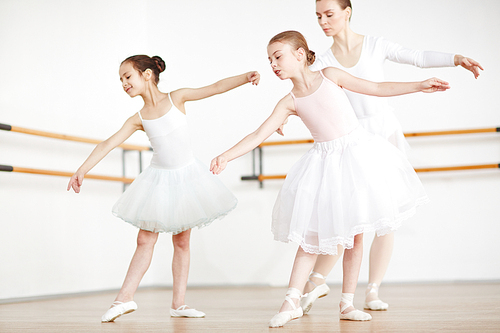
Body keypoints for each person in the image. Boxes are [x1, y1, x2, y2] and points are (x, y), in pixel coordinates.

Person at [210, 30, 449, 327]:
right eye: (269, 59)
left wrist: (419, 85)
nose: (273, 64)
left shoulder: (331, 75)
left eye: (278, 56)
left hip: (359, 156)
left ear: (300, 54)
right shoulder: (289, 101)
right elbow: (258, 134)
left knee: (356, 235)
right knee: (310, 238)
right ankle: (291, 301)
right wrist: (226, 156)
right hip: (324, 165)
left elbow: (375, 87)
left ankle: (347, 304)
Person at [297, 0, 484, 314]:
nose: (323, 21)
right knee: (348, 215)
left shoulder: (374, 45)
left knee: (386, 218)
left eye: (329, 14)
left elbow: (417, 57)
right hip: (351, 140)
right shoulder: (324, 61)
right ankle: (316, 280)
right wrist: (285, 119)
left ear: (347, 11)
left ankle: (372, 290)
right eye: (318, 16)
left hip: (384, 135)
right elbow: (309, 93)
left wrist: (456, 59)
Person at [67, 55, 260, 322]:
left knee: (182, 241)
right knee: (145, 239)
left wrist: (245, 77)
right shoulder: (138, 118)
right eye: (121, 79)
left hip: (187, 178)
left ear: (147, 75)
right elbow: (108, 143)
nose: (123, 83)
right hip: (158, 180)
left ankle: (178, 304)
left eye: (127, 76)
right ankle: (123, 299)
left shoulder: (176, 98)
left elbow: (215, 87)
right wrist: (82, 169)